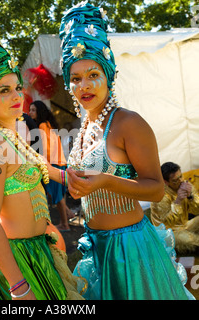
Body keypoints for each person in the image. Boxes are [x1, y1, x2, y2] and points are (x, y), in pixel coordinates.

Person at [49, 2, 194, 300]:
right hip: (97, 247)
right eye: (75, 78)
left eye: (93, 74)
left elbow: (155, 190)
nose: (84, 85)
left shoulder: (129, 123)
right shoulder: (85, 124)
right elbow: (85, 182)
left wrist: (104, 181)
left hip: (131, 250)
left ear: (109, 74)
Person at [0, 24, 83, 300]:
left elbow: (38, 164)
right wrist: (18, 286)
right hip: (19, 263)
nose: (16, 97)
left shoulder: (11, 135)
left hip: (39, 253)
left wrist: (68, 177)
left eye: (16, 88)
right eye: (4, 91)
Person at [29, 101, 74, 231]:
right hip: (60, 161)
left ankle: (65, 224)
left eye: (33, 110)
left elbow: (45, 148)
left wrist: (42, 162)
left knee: (56, 196)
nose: (30, 112)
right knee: (55, 194)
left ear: (39, 111)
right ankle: (68, 214)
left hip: (53, 163)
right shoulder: (49, 124)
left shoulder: (42, 126)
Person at [151, 162, 199, 253]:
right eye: (175, 180)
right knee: (192, 240)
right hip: (168, 233)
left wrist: (190, 197)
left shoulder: (185, 185)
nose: (181, 181)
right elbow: (165, 223)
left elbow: (197, 211)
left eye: (181, 176)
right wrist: (178, 202)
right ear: (165, 182)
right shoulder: (160, 196)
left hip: (184, 225)